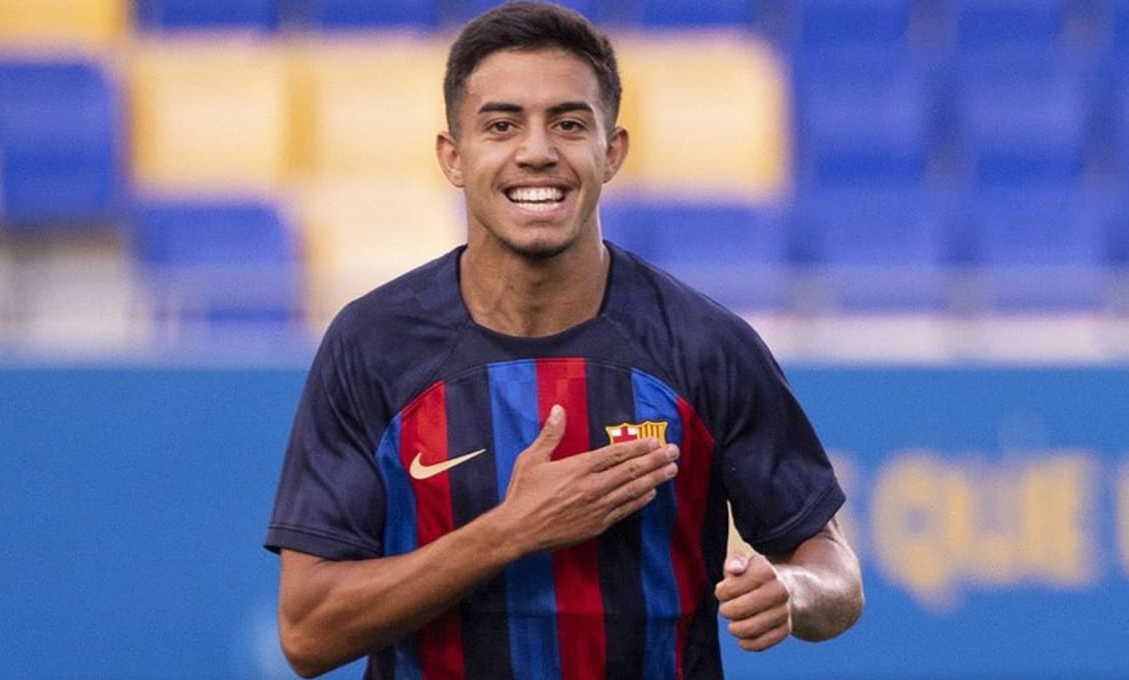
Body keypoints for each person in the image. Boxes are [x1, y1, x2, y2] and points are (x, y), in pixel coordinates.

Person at [264, 2, 863, 678]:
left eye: (569, 124)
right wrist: (510, 530)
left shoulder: (706, 345)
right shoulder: (372, 345)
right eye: (501, 125)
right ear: (454, 157)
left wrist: (792, 590)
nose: (537, 151)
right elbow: (308, 633)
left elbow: (833, 570)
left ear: (612, 153)